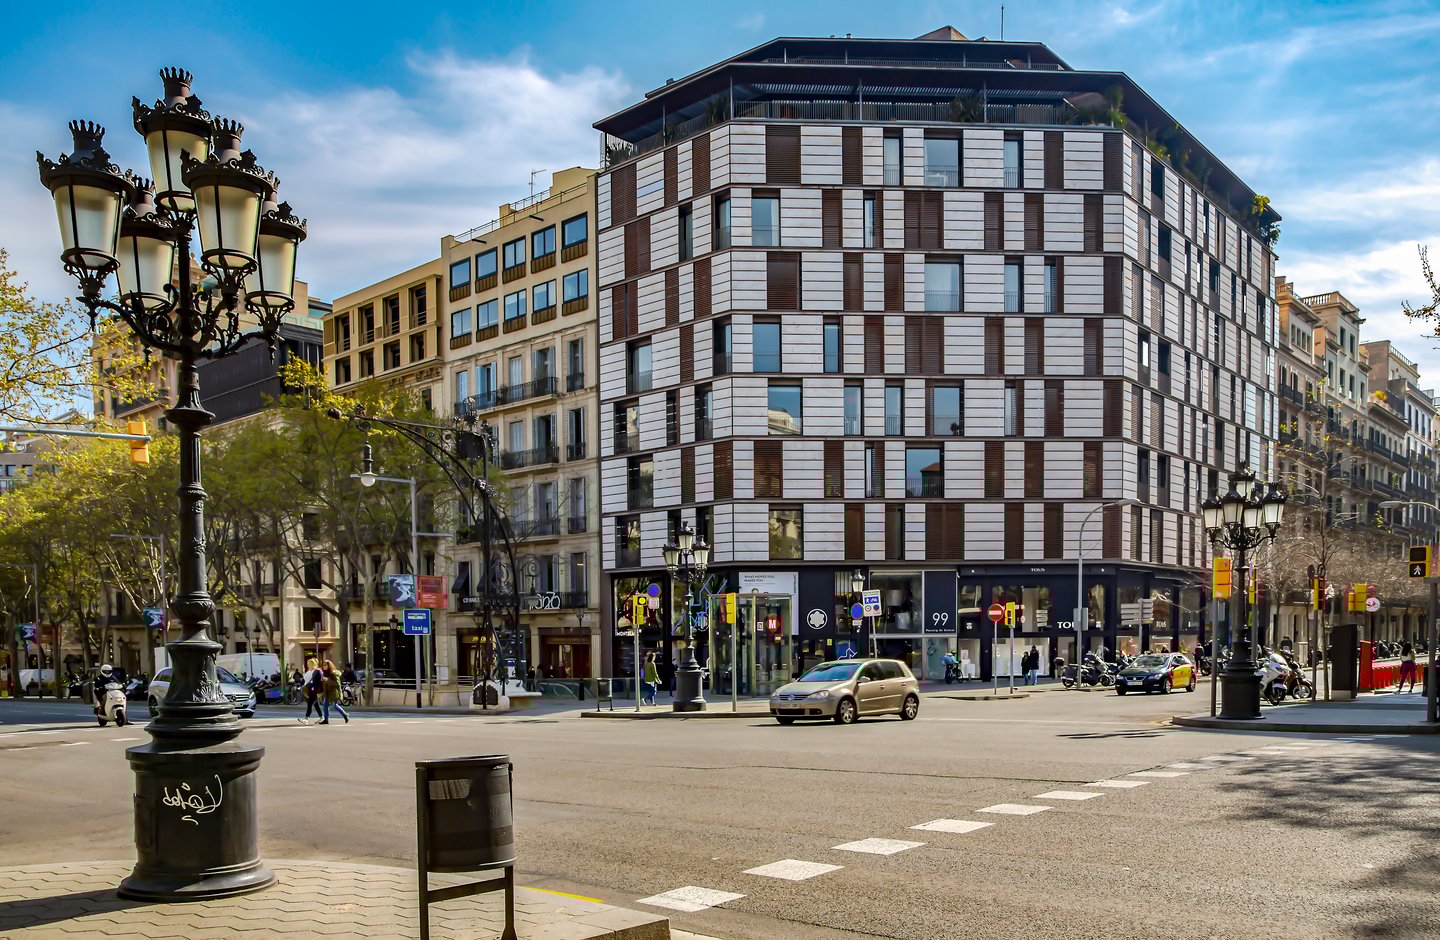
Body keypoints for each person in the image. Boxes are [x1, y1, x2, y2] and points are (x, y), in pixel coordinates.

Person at [319, 660, 349, 724]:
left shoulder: (334, 673)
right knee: (325, 705)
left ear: (329, 666)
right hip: (327, 692)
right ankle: (326, 720)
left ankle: (345, 715)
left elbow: (337, 684)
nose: (323, 667)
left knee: (335, 705)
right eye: (323, 665)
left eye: (325, 665)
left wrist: (327, 680)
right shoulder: (324, 673)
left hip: (334, 692)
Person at [299, 658, 322, 723]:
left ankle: (306, 719)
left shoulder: (317, 671)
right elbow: (305, 680)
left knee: (310, 704)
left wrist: (317, 691)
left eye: (309, 664)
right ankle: (321, 717)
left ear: (313, 664)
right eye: (307, 664)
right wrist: (301, 684)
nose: (308, 665)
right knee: (316, 705)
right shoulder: (308, 671)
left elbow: (318, 682)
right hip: (307, 690)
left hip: (313, 690)